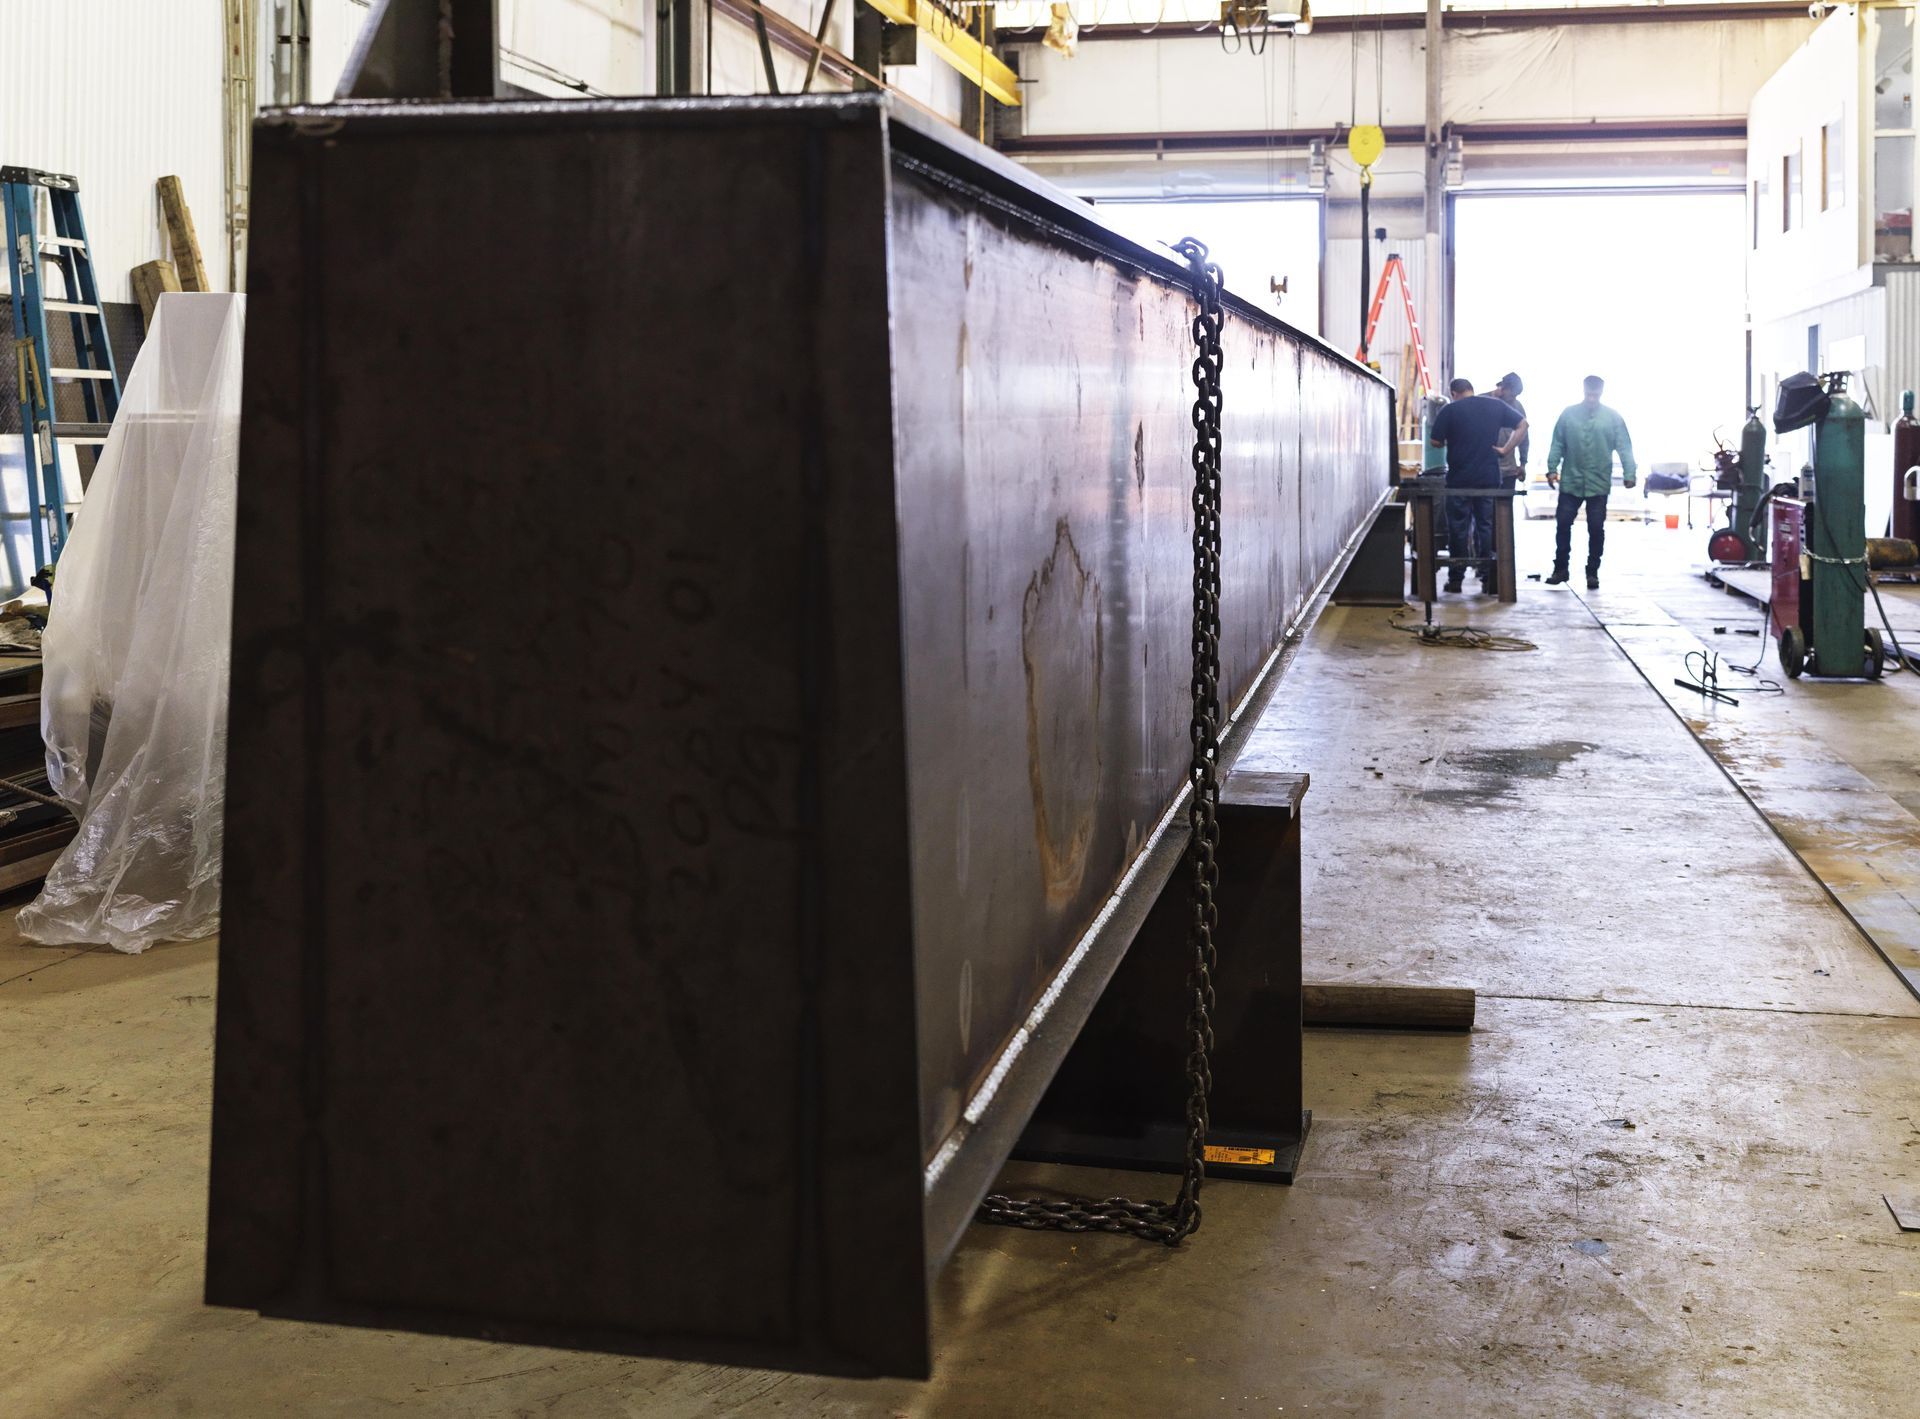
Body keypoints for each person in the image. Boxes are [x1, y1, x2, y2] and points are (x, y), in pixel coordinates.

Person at [1429, 376, 1526, 592]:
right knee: (1485, 526)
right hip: (1488, 478)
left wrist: (1451, 440)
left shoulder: (1450, 410)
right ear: (1471, 389)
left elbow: (1435, 441)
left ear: (1453, 393)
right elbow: (1523, 424)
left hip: (1459, 479)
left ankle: (1456, 580)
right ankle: (1487, 577)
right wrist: (1506, 449)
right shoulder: (1495, 406)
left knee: (1458, 529)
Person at [1544, 375, 1637, 590]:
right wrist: (1551, 469)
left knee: (1596, 528)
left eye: (1596, 395)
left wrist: (1630, 473)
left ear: (1601, 393)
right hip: (1571, 481)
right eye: (1589, 394)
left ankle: (1592, 572)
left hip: (1598, 482)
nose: (1592, 398)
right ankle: (1560, 569)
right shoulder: (1569, 415)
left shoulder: (1612, 418)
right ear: (1583, 391)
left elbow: (1624, 446)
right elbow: (1557, 442)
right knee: (1563, 525)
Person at [1493, 372, 1528, 492]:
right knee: (1486, 507)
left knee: (1505, 506)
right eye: (1512, 395)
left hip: (1508, 470)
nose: (1514, 398)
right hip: (1486, 469)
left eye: (1516, 395)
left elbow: (1524, 437)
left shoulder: (1517, 407)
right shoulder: (1485, 401)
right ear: (1504, 388)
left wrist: (1523, 463)